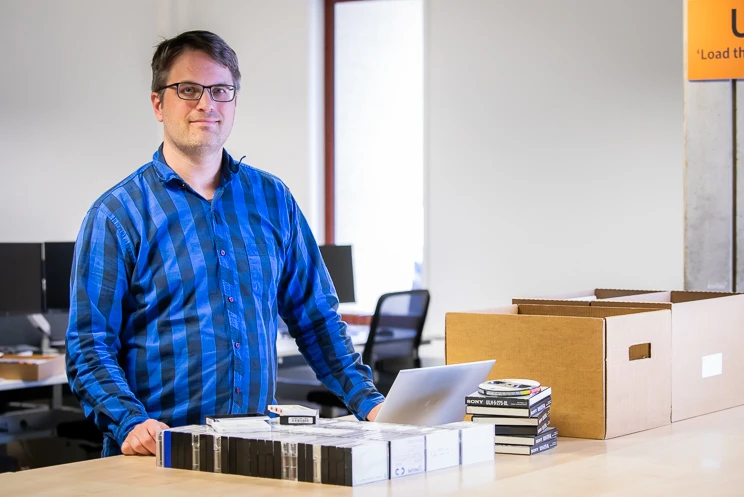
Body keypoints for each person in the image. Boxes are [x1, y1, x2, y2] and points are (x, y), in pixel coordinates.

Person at [65, 30, 384, 457]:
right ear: (158, 103)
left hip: (256, 450)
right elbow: (89, 344)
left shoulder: (273, 200)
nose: (206, 104)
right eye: (188, 89)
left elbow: (315, 317)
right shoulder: (117, 215)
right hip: (157, 456)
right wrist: (130, 421)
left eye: (220, 90)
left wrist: (369, 402)